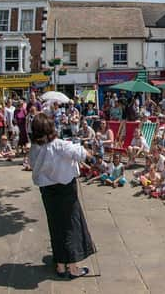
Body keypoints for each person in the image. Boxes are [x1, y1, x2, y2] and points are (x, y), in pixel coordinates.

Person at [29, 113, 95, 278]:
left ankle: (60, 265)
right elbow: (81, 152)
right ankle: (72, 267)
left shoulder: (35, 148)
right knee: (71, 225)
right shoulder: (59, 145)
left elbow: (32, 164)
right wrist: (91, 156)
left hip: (47, 191)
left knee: (55, 224)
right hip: (65, 189)